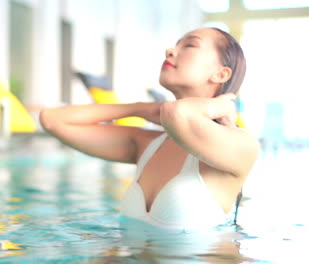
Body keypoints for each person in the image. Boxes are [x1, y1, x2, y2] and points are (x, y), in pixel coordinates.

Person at [39, 27, 260, 230]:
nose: (170, 51)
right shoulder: (147, 145)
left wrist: (218, 105)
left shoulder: (241, 145)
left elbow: (177, 114)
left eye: (190, 45)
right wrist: (140, 108)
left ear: (220, 74)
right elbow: (52, 119)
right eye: (176, 44)